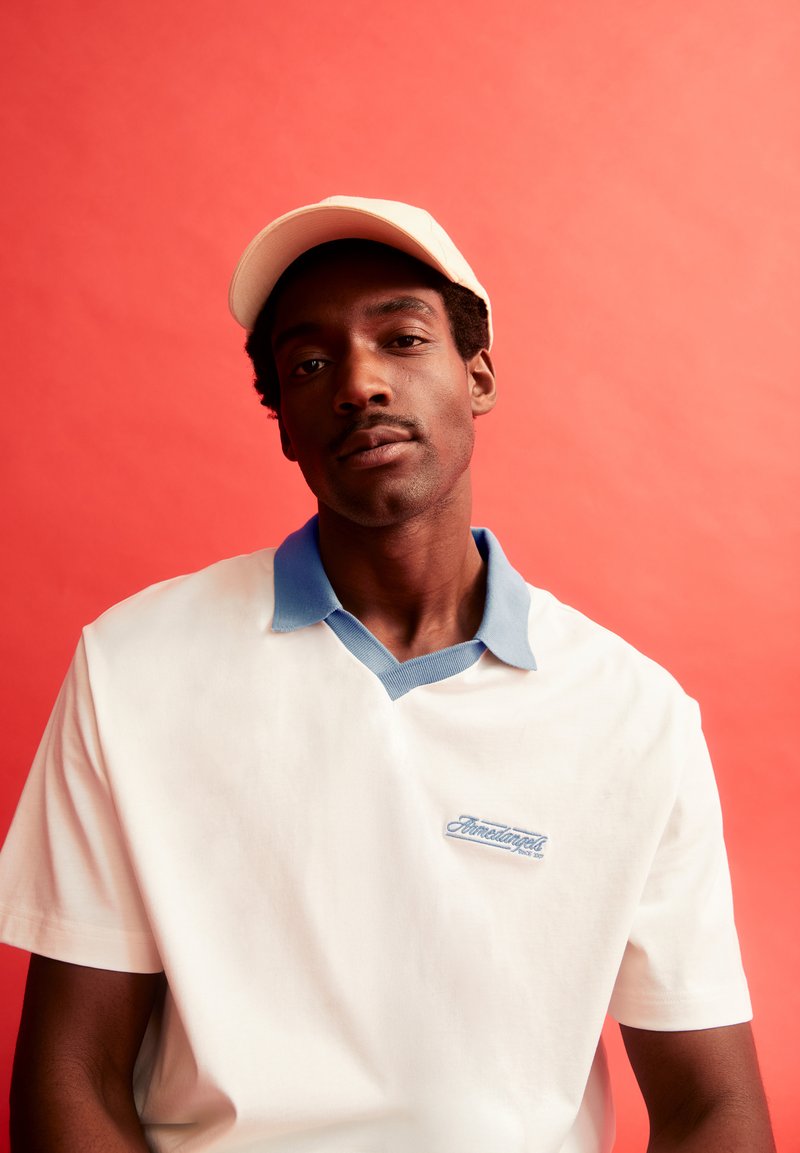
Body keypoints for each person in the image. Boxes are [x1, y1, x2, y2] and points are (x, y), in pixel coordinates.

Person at [0, 196, 775, 1152]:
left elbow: (715, 1106)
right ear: (283, 424)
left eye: (402, 339)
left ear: (478, 374)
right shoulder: (132, 667)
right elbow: (72, 1072)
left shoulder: (636, 715)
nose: (359, 384)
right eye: (309, 364)